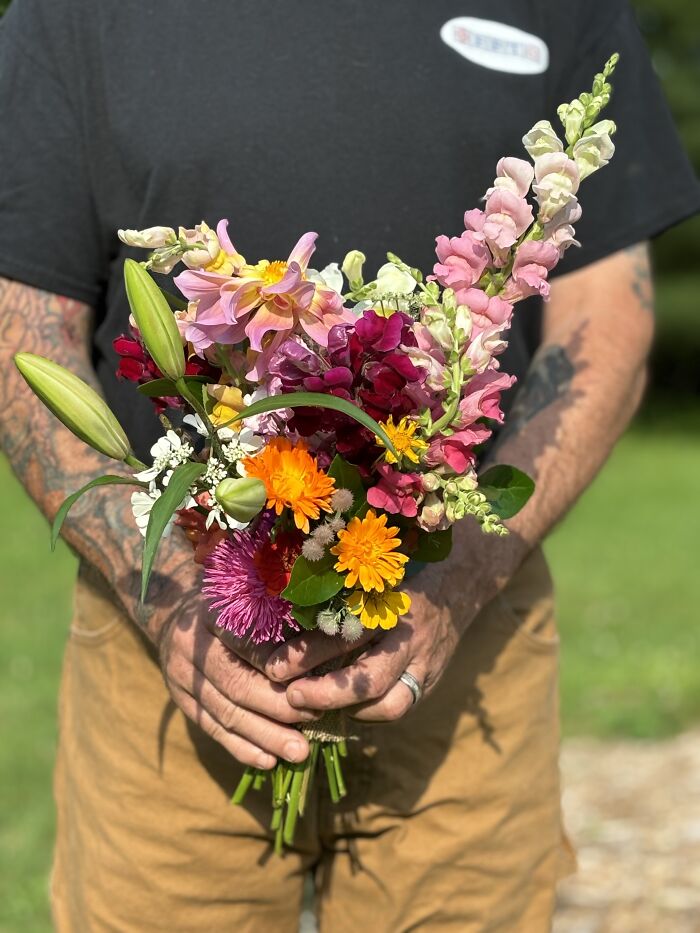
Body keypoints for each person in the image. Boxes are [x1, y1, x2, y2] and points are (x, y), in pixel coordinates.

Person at [0, 0, 698, 930]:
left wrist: (462, 577)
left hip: (465, 641)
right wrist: (165, 595)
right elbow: (20, 333)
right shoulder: (72, 16)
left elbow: (606, 322)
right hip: (171, 642)